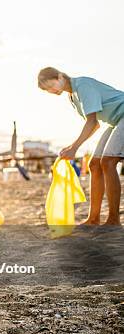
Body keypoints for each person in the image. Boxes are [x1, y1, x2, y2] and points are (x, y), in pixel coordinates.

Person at [38, 67, 124, 225]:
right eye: (47, 90)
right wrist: (72, 145)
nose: (51, 90)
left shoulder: (83, 85)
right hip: (115, 121)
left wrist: (74, 148)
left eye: (51, 85)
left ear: (60, 76)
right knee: (94, 164)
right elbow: (95, 124)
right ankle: (93, 218)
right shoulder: (72, 97)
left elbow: (91, 122)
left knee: (108, 161)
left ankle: (113, 219)